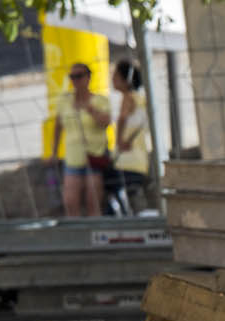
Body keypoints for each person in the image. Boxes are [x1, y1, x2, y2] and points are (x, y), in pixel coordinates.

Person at [51, 62, 112, 216]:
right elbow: (57, 127)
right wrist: (54, 152)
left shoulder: (100, 100)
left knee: (94, 203)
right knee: (70, 202)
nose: (75, 80)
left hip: (94, 156)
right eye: (72, 77)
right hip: (72, 157)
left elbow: (106, 123)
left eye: (79, 76)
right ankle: (75, 237)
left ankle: (96, 236)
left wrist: (90, 109)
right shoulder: (64, 101)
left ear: (88, 77)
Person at [111, 59, 152, 214]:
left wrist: (119, 140)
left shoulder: (128, 97)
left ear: (125, 79)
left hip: (126, 160)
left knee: (125, 203)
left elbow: (122, 118)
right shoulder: (142, 98)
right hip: (140, 159)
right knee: (135, 200)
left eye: (115, 75)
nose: (112, 79)